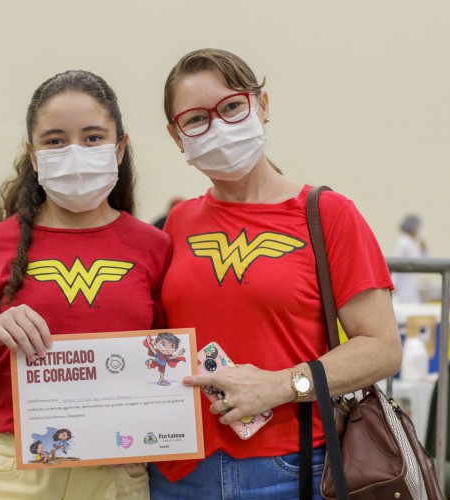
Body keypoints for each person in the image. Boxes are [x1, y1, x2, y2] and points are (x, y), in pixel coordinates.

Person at [149, 48, 402, 499]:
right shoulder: (179, 221)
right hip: (179, 472)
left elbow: (382, 348)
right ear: (176, 135)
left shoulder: (328, 214)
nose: (218, 127)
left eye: (230, 107)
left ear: (261, 105)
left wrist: (280, 385)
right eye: (195, 119)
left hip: (290, 469)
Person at [0, 69, 171, 500]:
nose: (75, 151)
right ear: (33, 152)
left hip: (117, 472)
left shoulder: (154, 247)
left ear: (120, 148)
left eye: (94, 137)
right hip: (8, 472)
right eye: (56, 140)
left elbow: (168, 363)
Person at [391, 213, 427, 304]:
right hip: (402, 282)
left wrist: (423, 246)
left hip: (411, 283)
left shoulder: (413, 242)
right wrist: (393, 283)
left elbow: (424, 260)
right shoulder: (403, 242)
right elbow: (396, 262)